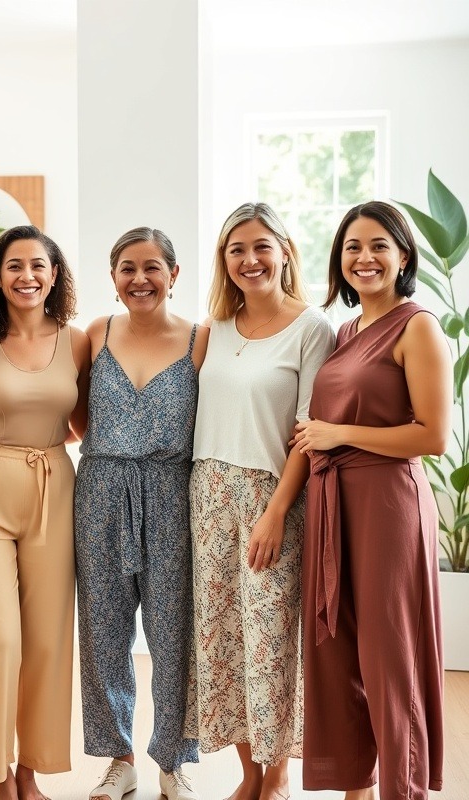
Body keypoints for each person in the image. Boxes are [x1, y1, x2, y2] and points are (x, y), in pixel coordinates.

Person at [293, 201, 449, 800]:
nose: (365, 258)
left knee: (391, 655)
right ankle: (356, 787)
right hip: (335, 503)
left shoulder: (419, 326)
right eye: (353, 247)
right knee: (339, 648)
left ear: (403, 256)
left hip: (388, 504)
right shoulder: (344, 331)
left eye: (379, 245)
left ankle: (404, 789)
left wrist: (340, 434)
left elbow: (432, 436)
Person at [185, 203, 335, 800]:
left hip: (271, 498)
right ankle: (248, 774)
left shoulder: (312, 329)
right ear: (224, 261)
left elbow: (308, 428)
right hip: (207, 495)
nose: (250, 260)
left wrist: (274, 512)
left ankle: (276, 777)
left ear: (285, 252)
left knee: (271, 639)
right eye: (236, 250)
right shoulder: (213, 328)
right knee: (222, 637)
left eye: (261, 247)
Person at [0, 224, 90, 800]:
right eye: (14, 266)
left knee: (48, 639)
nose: (27, 276)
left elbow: (83, 425)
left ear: (55, 275)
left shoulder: (78, 341)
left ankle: (30, 772)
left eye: (38, 266)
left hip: (56, 485)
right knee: (0, 636)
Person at [74, 227, 208, 800]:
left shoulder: (202, 339)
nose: (140, 279)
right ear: (113, 278)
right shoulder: (95, 333)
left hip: (171, 493)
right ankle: (118, 758)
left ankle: (173, 762)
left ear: (173, 275)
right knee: (103, 631)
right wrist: (114, 451)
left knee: (173, 631)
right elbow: (77, 414)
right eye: (127, 268)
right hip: (100, 489)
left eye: (152, 267)